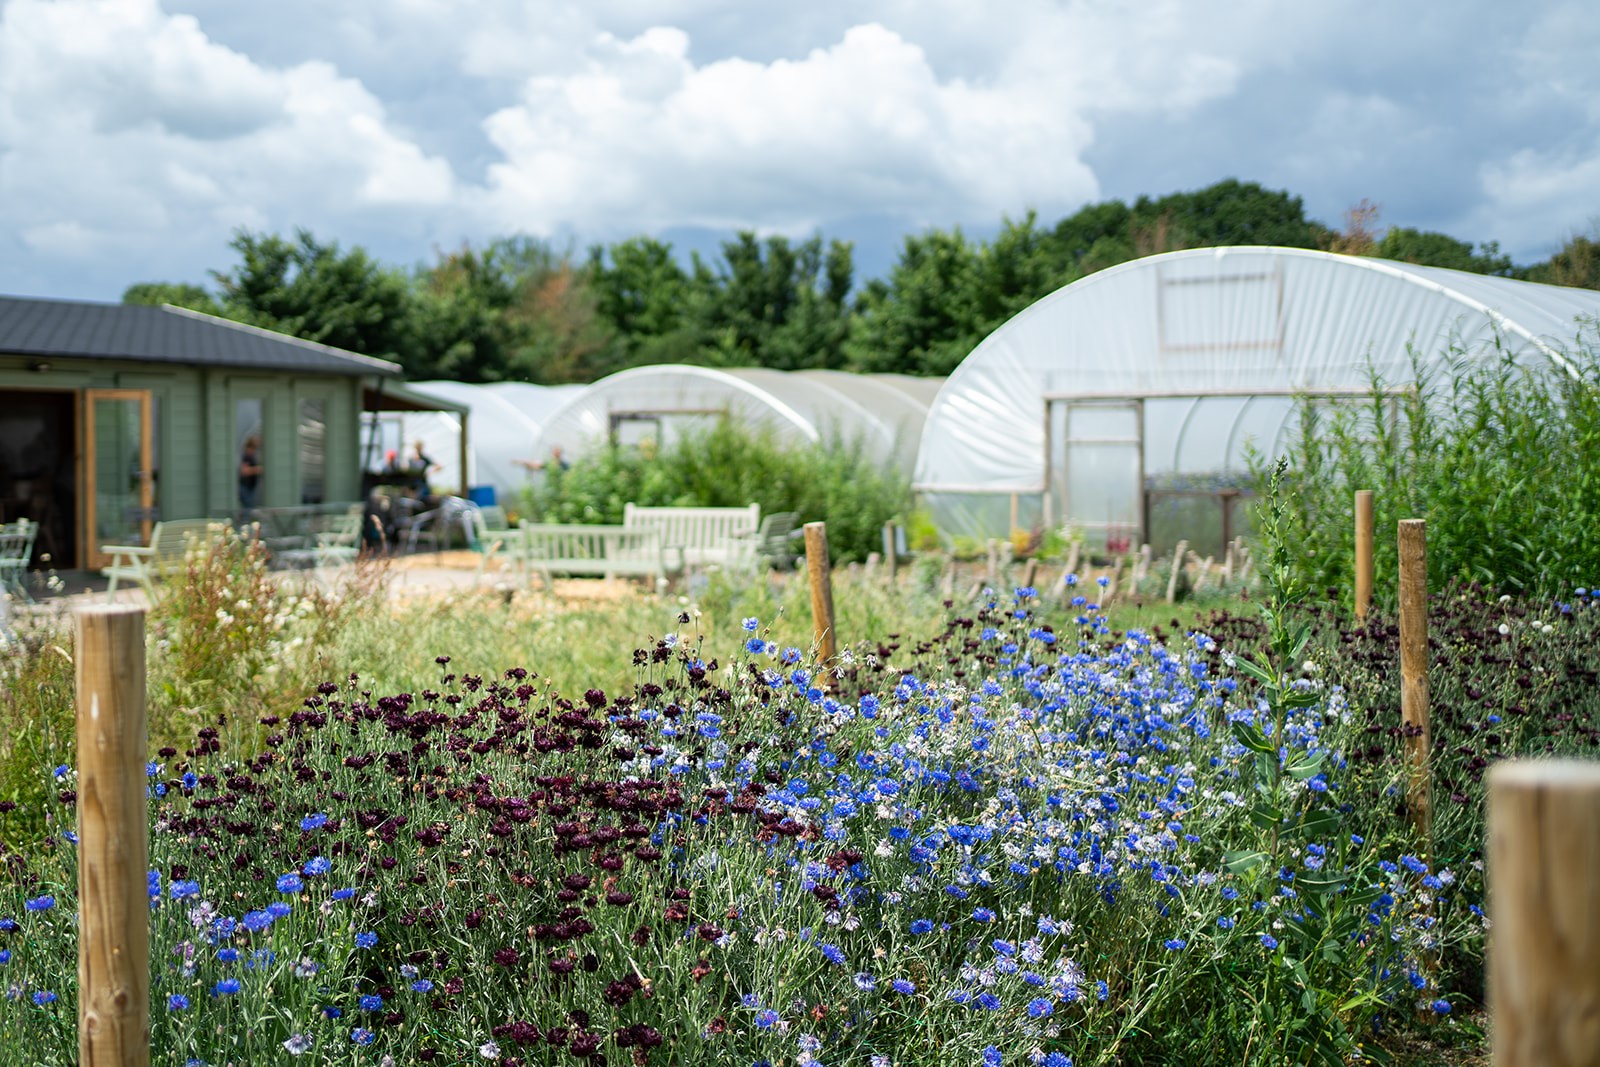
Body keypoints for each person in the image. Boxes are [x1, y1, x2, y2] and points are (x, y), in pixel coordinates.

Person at [238, 435, 262, 509]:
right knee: (248, 507)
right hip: (245, 487)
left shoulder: (251, 455)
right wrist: (257, 469)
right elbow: (244, 471)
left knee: (250, 506)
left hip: (250, 487)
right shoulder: (247, 456)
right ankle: (245, 520)